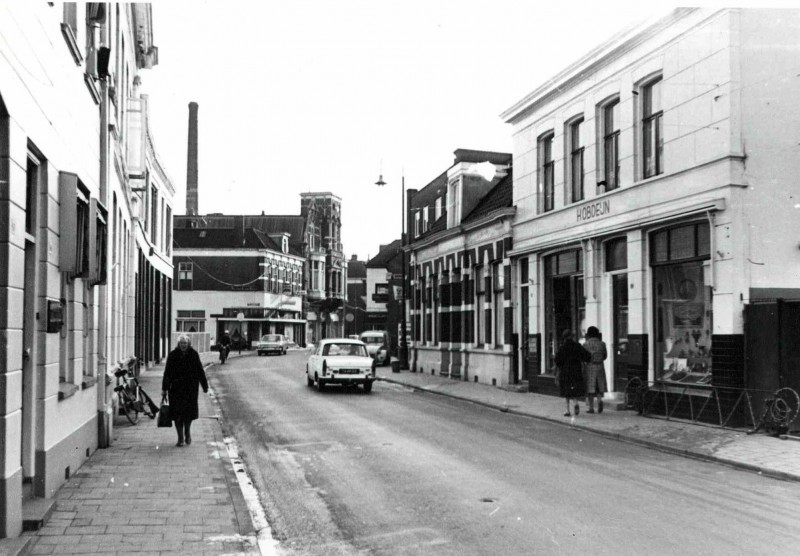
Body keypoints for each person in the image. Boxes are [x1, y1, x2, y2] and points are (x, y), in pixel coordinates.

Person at [162, 334, 208, 447]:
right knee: (177, 414)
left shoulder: (193, 354)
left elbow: (200, 370)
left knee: (188, 414)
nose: (183, 345)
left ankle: (187, 432)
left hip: (190, 389)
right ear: (178, 344)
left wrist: (205, 386)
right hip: (176, 389)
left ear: (188, 344)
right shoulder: (173, 355)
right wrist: (164, 388)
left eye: (185, 343)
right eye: (181, 343)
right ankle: (180, 438)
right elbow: (167, 373)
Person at [554, 329, 590, 417]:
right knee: (574, 389)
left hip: (565, 372)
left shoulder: (562, 348)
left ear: (564, 338)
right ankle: (576, 403)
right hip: (576, 371)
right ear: (572, 337)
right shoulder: (577, 346)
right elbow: (587, 356)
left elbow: (557, 360)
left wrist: (561, 365)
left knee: (566, 391)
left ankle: (567, 410)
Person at [583, 326, 609, 414]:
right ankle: (599, 400)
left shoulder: (586, 344)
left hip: (590, 366)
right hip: (600, 366)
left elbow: (585, 357)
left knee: (590, 388)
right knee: (599, 385)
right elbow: (605, 356)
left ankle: (591, 408)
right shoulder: (602, 344)